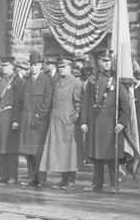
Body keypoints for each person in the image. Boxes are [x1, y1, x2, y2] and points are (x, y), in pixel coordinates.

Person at [82, 53, 134, 193]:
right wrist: (84, 121)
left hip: (111, 125)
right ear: (99, 61)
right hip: (95, 124)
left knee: (112, 157)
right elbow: (86, 102)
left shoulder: (116, 80)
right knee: (96, 157)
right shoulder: (92, 79)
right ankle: (97, 184)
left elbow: (125, 103)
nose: (107, 63)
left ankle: (113, 185)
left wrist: (123, 122)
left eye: (109, 61)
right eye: (104, 61)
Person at [43, 59, 84, 190]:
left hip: (69, 124)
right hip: (56, 123)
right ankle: (63, 180)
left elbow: (79, 104)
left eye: (64, 67)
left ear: (70, 68)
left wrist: (73, 118)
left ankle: (70, 181)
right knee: (61, 152)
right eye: (60, 67)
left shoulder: (76, 83)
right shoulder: (57, 82)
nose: (61, 69)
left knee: (70, 153)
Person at [20, 56, 55, 187]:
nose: (33, 67)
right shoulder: (28, 81)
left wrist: (38, 115)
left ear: (41, 65)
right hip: (26, 121)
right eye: (31, 64)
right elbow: (22, 101)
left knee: (38, 153)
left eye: (35, 64)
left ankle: (41, 179)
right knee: (28, 152)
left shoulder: (46, 81)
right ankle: (31, 177)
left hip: (38, 122)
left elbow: (47, 102)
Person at [0, 61, 24, 184]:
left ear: (12, 67)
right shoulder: (0, 81)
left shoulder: (17, 82)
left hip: (10, 117)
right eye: (3, 66)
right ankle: (2, 174)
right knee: (0, 147)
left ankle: (13, 175)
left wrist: (16, 120)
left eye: (6, 66)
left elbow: (19, 103)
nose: (4, 68)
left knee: (10, 148)